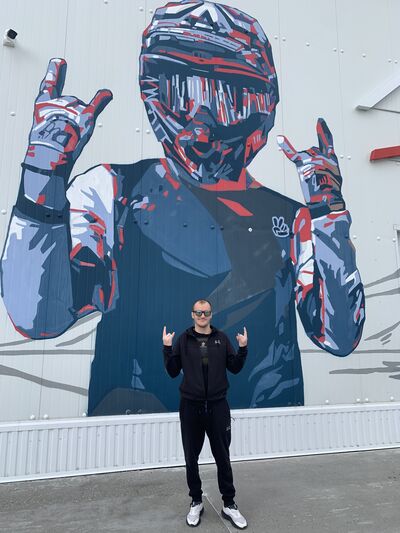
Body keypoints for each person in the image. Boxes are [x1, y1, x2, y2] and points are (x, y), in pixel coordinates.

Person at [0, 0, 365, 416]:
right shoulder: (109, 192)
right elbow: (39, 317)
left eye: (228, 99)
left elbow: (339, 337)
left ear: (263, 106)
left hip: (265, 434)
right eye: (180, 92)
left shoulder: (295, 220)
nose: (201, 129)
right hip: (133, 434)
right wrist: (42, 178)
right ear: (152, 94)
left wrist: (329, 215)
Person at [163, 299, 248, 529]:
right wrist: (167, 348)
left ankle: (229, 504)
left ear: (211, 314)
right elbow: (172, 371)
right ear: (192, 314)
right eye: (198, 312)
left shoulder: (221, 338)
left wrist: (242, 348)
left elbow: (235, 367)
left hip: (218, 406)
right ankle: (196, 501)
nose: (202, 316)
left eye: (206, 312)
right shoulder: (183, 340)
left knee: (223, 457)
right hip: (190, 406)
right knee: (191, 457)